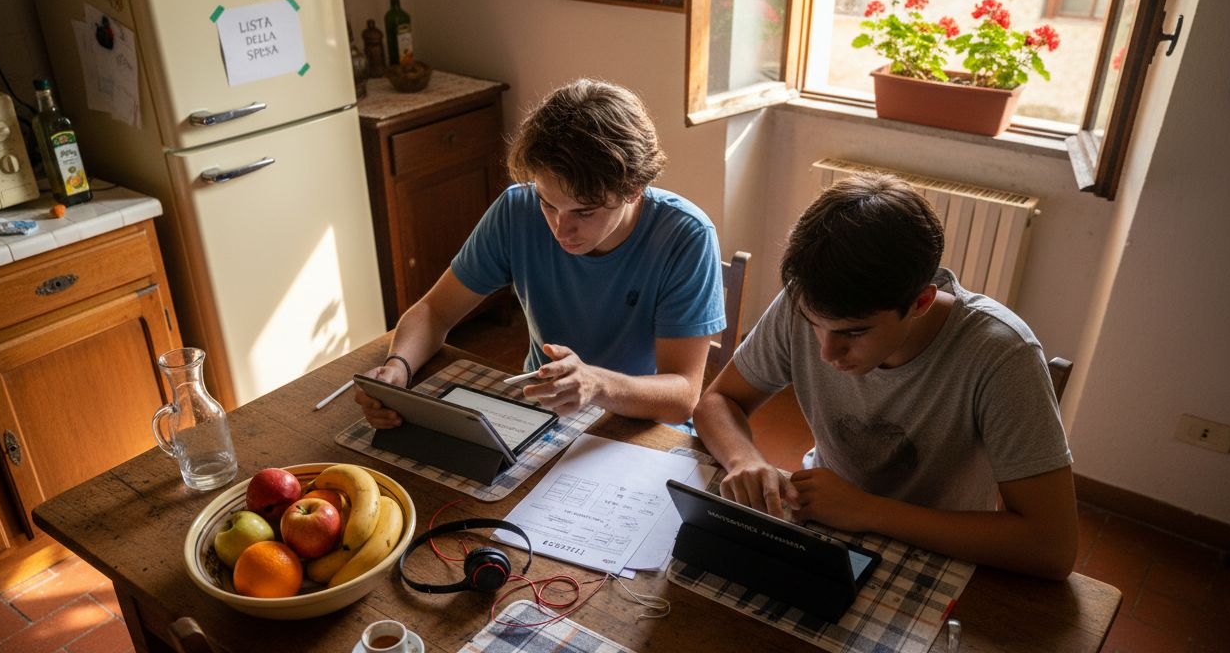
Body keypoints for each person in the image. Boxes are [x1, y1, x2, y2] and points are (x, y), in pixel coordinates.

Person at [693, 173, 1077, 579]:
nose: (826, 352)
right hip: (826, 520)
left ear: (921, 302)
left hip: (944, 548)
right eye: (814, 324)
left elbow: (1052, 546)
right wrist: (744, 459)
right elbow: (717, 402)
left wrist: (867, 510)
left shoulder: (1001, 354)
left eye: (854, 333)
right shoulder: (805, 299)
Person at [356, 78, 724, 426]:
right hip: (541, 412)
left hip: (637, 425)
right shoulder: (517, 209)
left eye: (584, 211)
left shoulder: (686, 237)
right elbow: (435, 311)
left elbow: (682, 397)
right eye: (549, 204)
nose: (561, 230)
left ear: (634, 189)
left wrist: (595, 385)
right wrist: (398, 367)